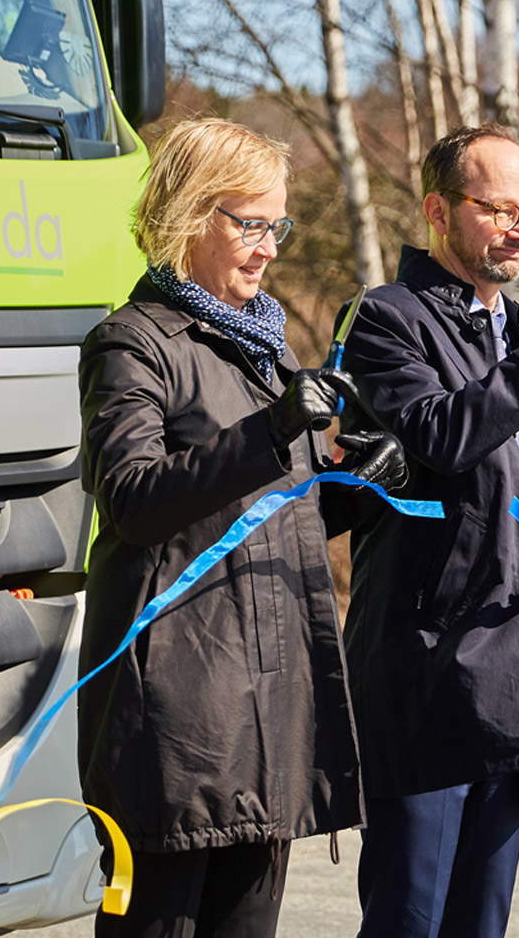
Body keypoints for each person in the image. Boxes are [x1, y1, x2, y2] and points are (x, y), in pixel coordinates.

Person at [77, 116, 407, 938]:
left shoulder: (260, 347)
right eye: (249, 223)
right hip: (177, 724)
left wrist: (359, 490)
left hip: (272, 714)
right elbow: (133, 496)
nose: (268, 248)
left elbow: (269, 517)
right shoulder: (131, 343)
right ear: (188, 215)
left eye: (277, 225)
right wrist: (270, 432)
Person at [337, 124, 519, 938]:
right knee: (410, 920)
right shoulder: (383, 319)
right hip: (425, 674)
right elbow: (442, 435)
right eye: (497, 207)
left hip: (507, 679)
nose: (517, 229)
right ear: (439, 210)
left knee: (482, 925)